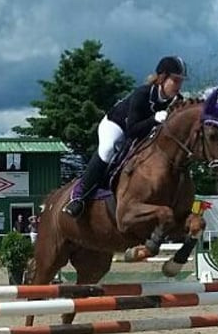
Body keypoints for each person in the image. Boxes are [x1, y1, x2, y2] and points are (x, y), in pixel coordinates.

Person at [62, 55, 187, 218]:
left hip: (144, 132)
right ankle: (79, 196)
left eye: (181, 81)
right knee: (107, 149)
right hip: (116, 125)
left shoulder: (176, 101)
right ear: (162, 78)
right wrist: (154, 119)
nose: (179, 85)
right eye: (176, 80)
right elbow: (132, 130)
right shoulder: (142, 94)